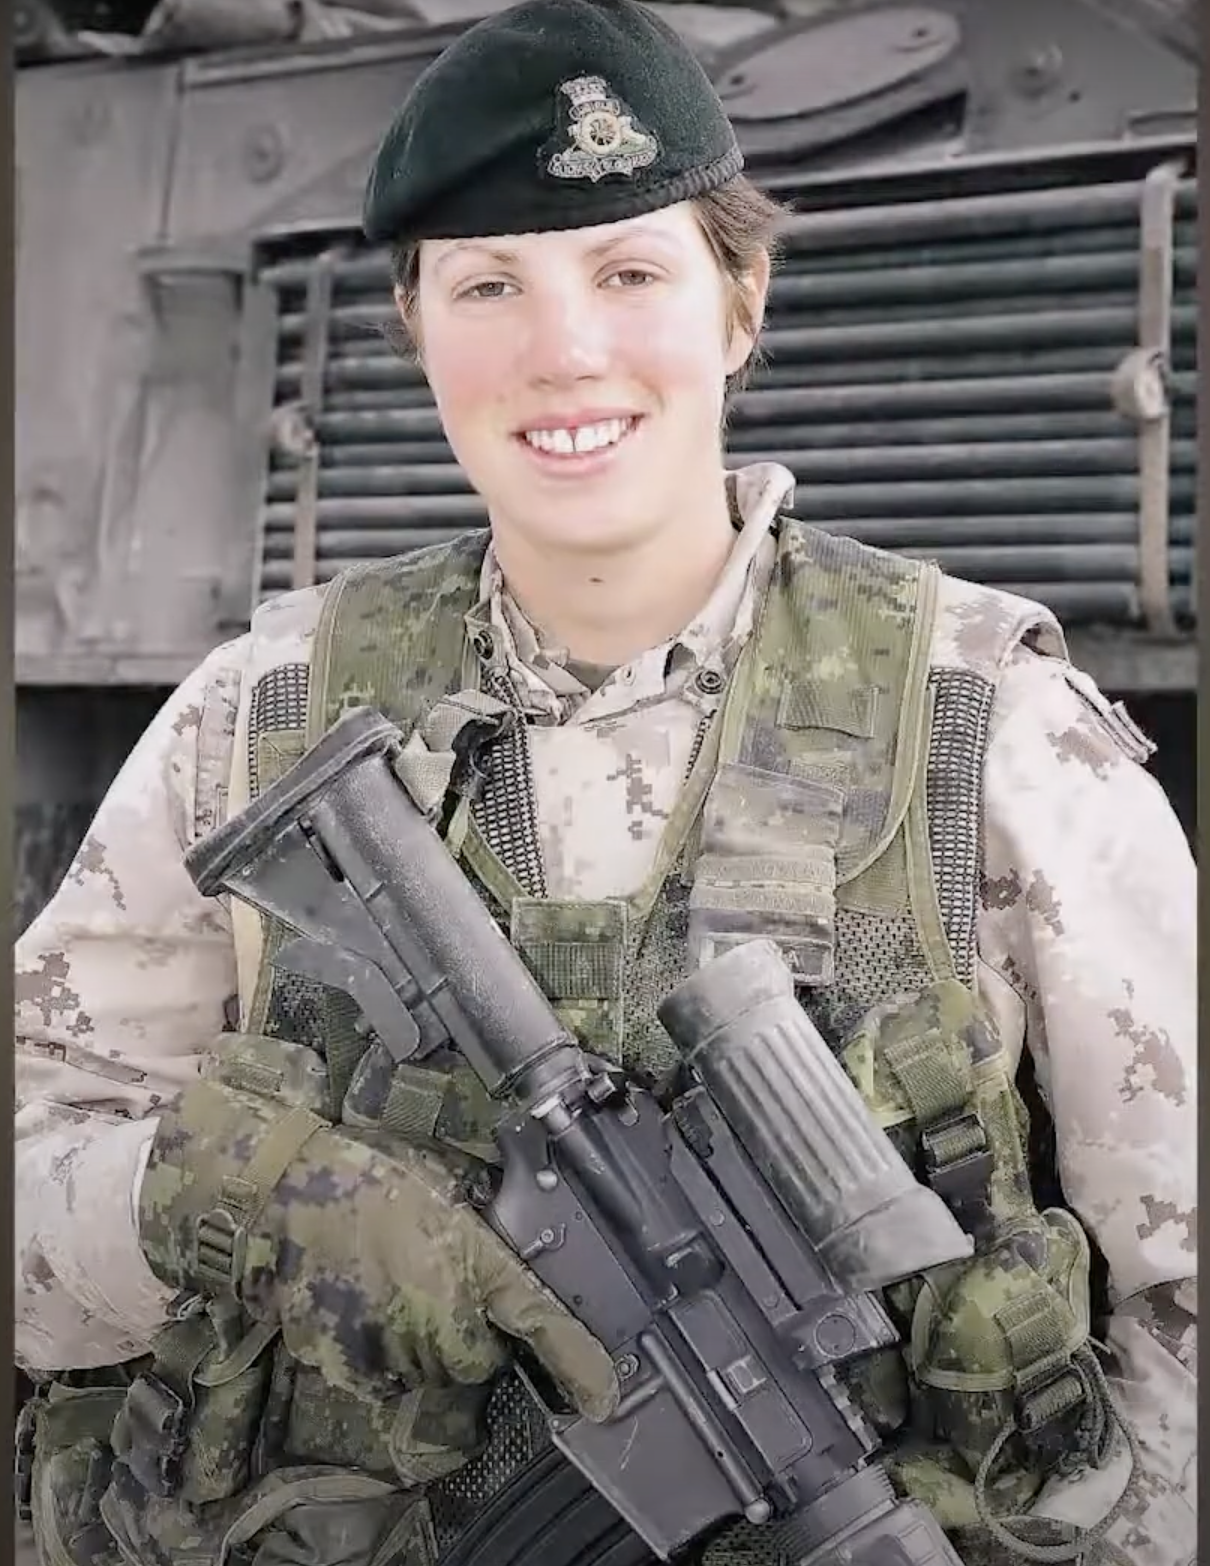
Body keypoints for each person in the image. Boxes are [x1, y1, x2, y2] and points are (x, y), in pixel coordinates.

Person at [14, 3, 1195, 1564]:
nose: (562, 349)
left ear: (738, 304)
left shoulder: (991, 726)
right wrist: (215, 1199)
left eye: (629, 272)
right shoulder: (261, 722)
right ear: (414, 326)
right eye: (488, 284)